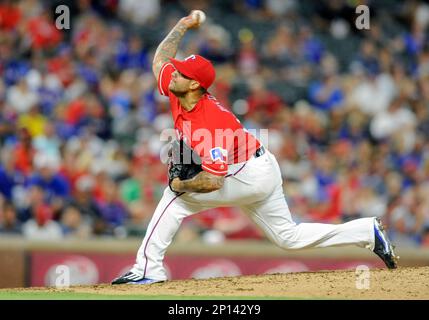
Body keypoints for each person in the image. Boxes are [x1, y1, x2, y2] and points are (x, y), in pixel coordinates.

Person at [112, 11, 398, 285]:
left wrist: (180, 182)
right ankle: (366, 231)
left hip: (248, 173)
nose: (173, 74)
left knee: (176, 198)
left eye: (181, 73)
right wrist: (183, 25)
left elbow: (213, 180)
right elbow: (160, 59)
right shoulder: (179, 91)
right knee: (288, 237)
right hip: (257, 165)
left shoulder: (210, 123)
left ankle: (148, 269)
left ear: (195, 84)